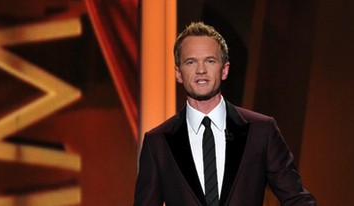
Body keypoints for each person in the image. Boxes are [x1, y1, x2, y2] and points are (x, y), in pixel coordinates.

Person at [134, 21, 316, 206]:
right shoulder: (157, 142)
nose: (201, 70)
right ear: (178, 73)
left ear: (225, 70)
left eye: (210, 61)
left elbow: (297, 199)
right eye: (191, 62)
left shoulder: (261, 131)